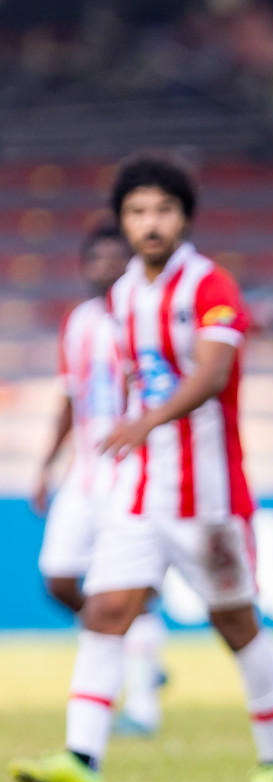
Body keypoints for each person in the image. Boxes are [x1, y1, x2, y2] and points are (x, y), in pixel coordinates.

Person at [9, 156, 273, 782]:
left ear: (184, 218)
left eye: (163, 211)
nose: (150, 223)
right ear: (122, 221)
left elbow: (214, 373)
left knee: (235, 622)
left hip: (209, 496)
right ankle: (82, 757)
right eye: (138, 212)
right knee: (107, 610)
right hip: (138, 492)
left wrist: (146, 421)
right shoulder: (122, 297)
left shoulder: (209, 284)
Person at [33, 221, 168, 735]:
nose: (104, 267)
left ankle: (142, 705)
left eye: (115, 258)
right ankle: (138, 649)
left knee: (128, 585)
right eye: (95, 259)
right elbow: (71, 395)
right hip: (85, 472)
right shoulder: (80, 322)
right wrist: (48, 463)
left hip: (134, 470)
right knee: (59, 577)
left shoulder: (145, 315)